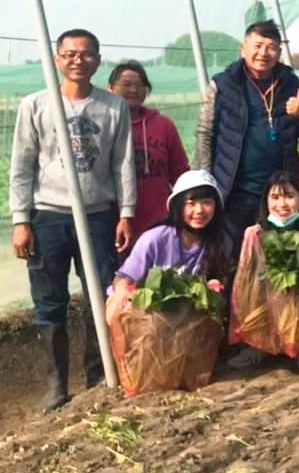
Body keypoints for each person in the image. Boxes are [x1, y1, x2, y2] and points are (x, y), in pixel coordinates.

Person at [10, 28, 137, 410]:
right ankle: (56, 383)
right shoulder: (36, 105)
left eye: (86, 54)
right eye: (70, 54)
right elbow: (22, 165)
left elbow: (123, 164)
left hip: (98, 215)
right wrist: (21, 219)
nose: (78, 60)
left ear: (98, 60)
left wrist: (126, 213)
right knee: (50, 300)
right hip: (48, 215)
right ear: (56, 59)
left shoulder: (113, 107)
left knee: (100, 294)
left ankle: (99, 372)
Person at [196, 20, 299, 260]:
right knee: (234, 256)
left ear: (279, 53)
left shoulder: (290, 82)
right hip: (236, 189)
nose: (263, 53)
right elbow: (205, 134)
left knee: (279, 257)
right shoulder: (223, 84)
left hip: (279, 193)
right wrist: (205, 182)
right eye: (257, 45)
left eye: (271, 47)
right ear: (243, 48)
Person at [226, 170, 299, 371]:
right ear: (266, 201)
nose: (282, 205)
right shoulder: (254, 233)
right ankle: (258, 346)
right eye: (275, 197)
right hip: (261, 292)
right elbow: (246, 273)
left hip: (296, 294)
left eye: (289, 196)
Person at [109, 61, 189, 236]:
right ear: (111, 88)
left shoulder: (163, 125)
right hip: (114, 220)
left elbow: (179, 171)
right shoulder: (105, 124)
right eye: (127, 85)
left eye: (140, 85)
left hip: (158, 217)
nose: (134, 90)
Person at [114, 170, 228, 287]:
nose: (199, 210)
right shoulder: (155, 239)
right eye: (191, 203)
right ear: (177, 207)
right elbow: (124, 278)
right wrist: (123, 291)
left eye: (207, 203)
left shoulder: (217, 242)